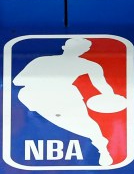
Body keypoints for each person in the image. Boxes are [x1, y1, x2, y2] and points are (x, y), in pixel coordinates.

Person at [13, 37, 124, 166]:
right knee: (46, 122)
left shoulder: (89, 65)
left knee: (87, 123)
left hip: (66, 96)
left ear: (85, 51)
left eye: (81, 49)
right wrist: (47, 81)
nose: (77, 51)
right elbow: (18, 81)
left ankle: (103, 151)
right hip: (38, 96)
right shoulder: (42, 61)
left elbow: (102, 85)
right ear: (65, 47)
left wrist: (110, 97)